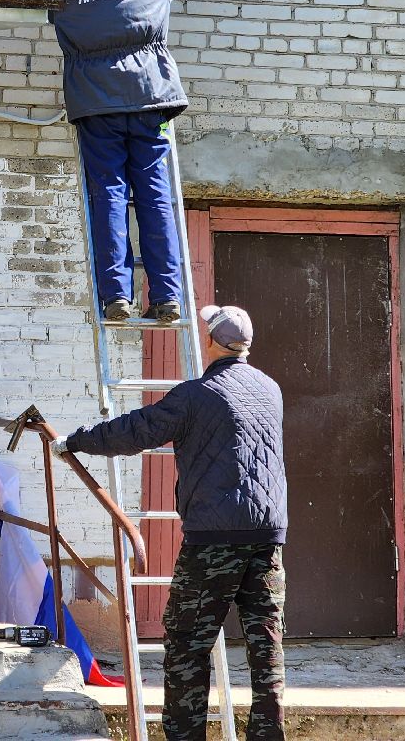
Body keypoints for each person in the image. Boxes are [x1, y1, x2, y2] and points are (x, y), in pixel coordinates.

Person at [53, 305, 287, 741]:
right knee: (265, 646)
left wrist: (76, 441)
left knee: (187, 645)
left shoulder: (196, 395)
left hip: (212, 540)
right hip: (268, 538)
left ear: (213, 342)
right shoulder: (270, 389)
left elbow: (135, 431)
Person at [22, 0, 200, 324]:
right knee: (156, 199)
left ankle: (117, 296)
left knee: (109, 199)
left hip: (96, 105)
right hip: (150, 99)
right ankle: (168, 297)